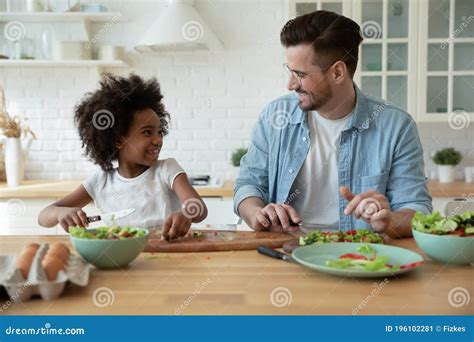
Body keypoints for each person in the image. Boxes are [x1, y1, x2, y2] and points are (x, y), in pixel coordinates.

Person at [234, 10, 432, 238]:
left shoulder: (396, 126)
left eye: (300, 74)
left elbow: (418, 210)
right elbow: (248, 185)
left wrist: (389, 222)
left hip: (359, 256)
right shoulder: (275, 116)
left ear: (337, 72)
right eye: (289, 71)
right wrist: (257, 213)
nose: (290, 84)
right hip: (286, 253)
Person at [38, 74, 207, 240]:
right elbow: (44, 216)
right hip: (122, 260)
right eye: (147, 132)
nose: (158, 140)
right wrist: (61, 212)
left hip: (168, 256)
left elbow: (199, 208)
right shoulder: (101, 181)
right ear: (119, 140)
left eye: (159, 132)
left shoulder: (167, 169)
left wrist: (186, 213)